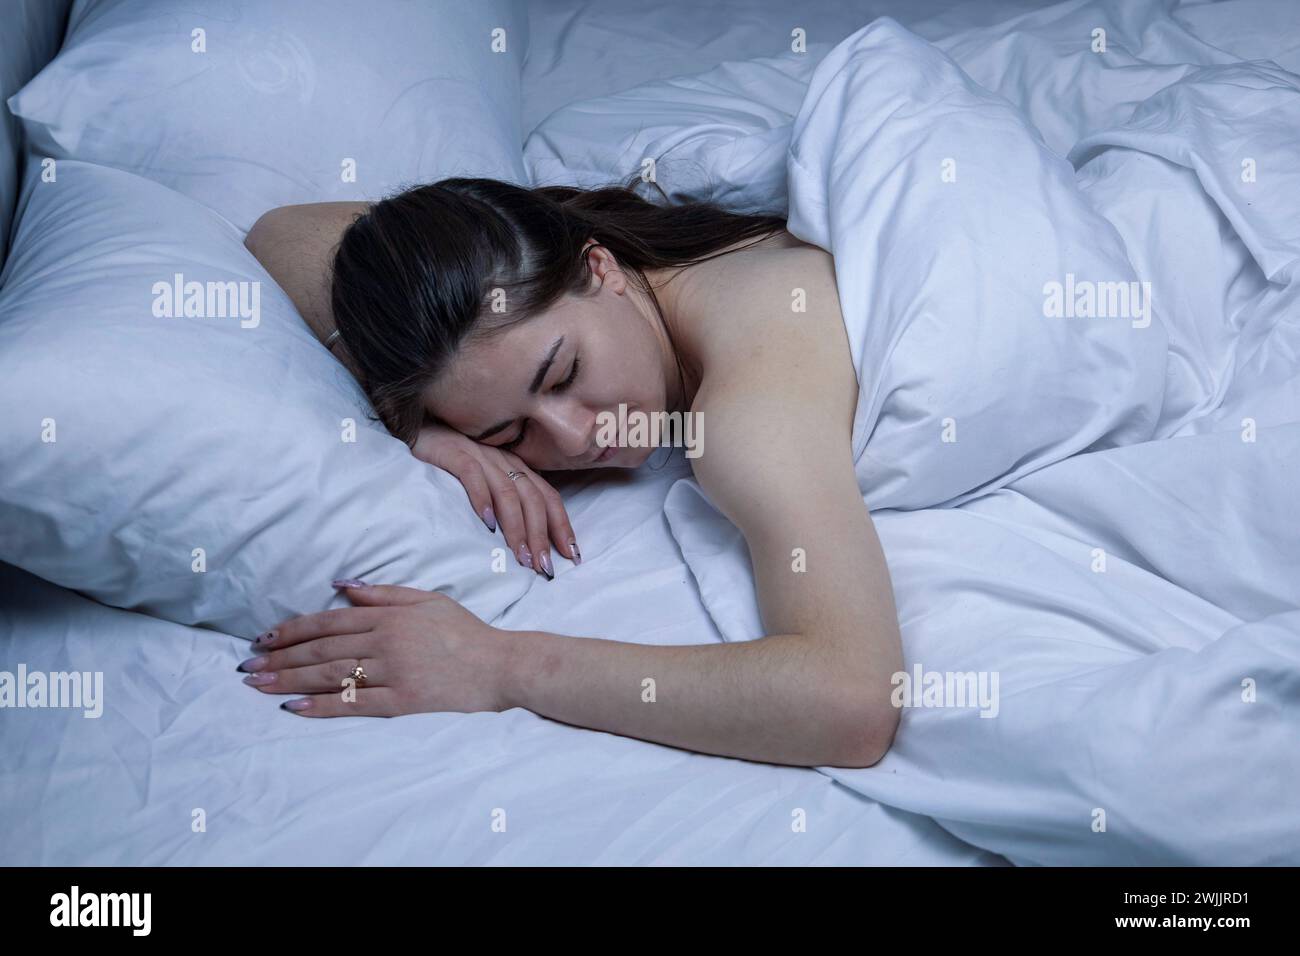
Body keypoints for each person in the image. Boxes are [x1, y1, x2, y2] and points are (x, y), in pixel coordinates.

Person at [238, 177, 902, 768]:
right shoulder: (568, 254)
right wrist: (414, 420)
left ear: (600, 268)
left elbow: (850, 701)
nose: (577, 436)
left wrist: (498, 665)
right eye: (509, 432)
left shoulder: (750, 426)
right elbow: (283, 231)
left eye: (563, 375)